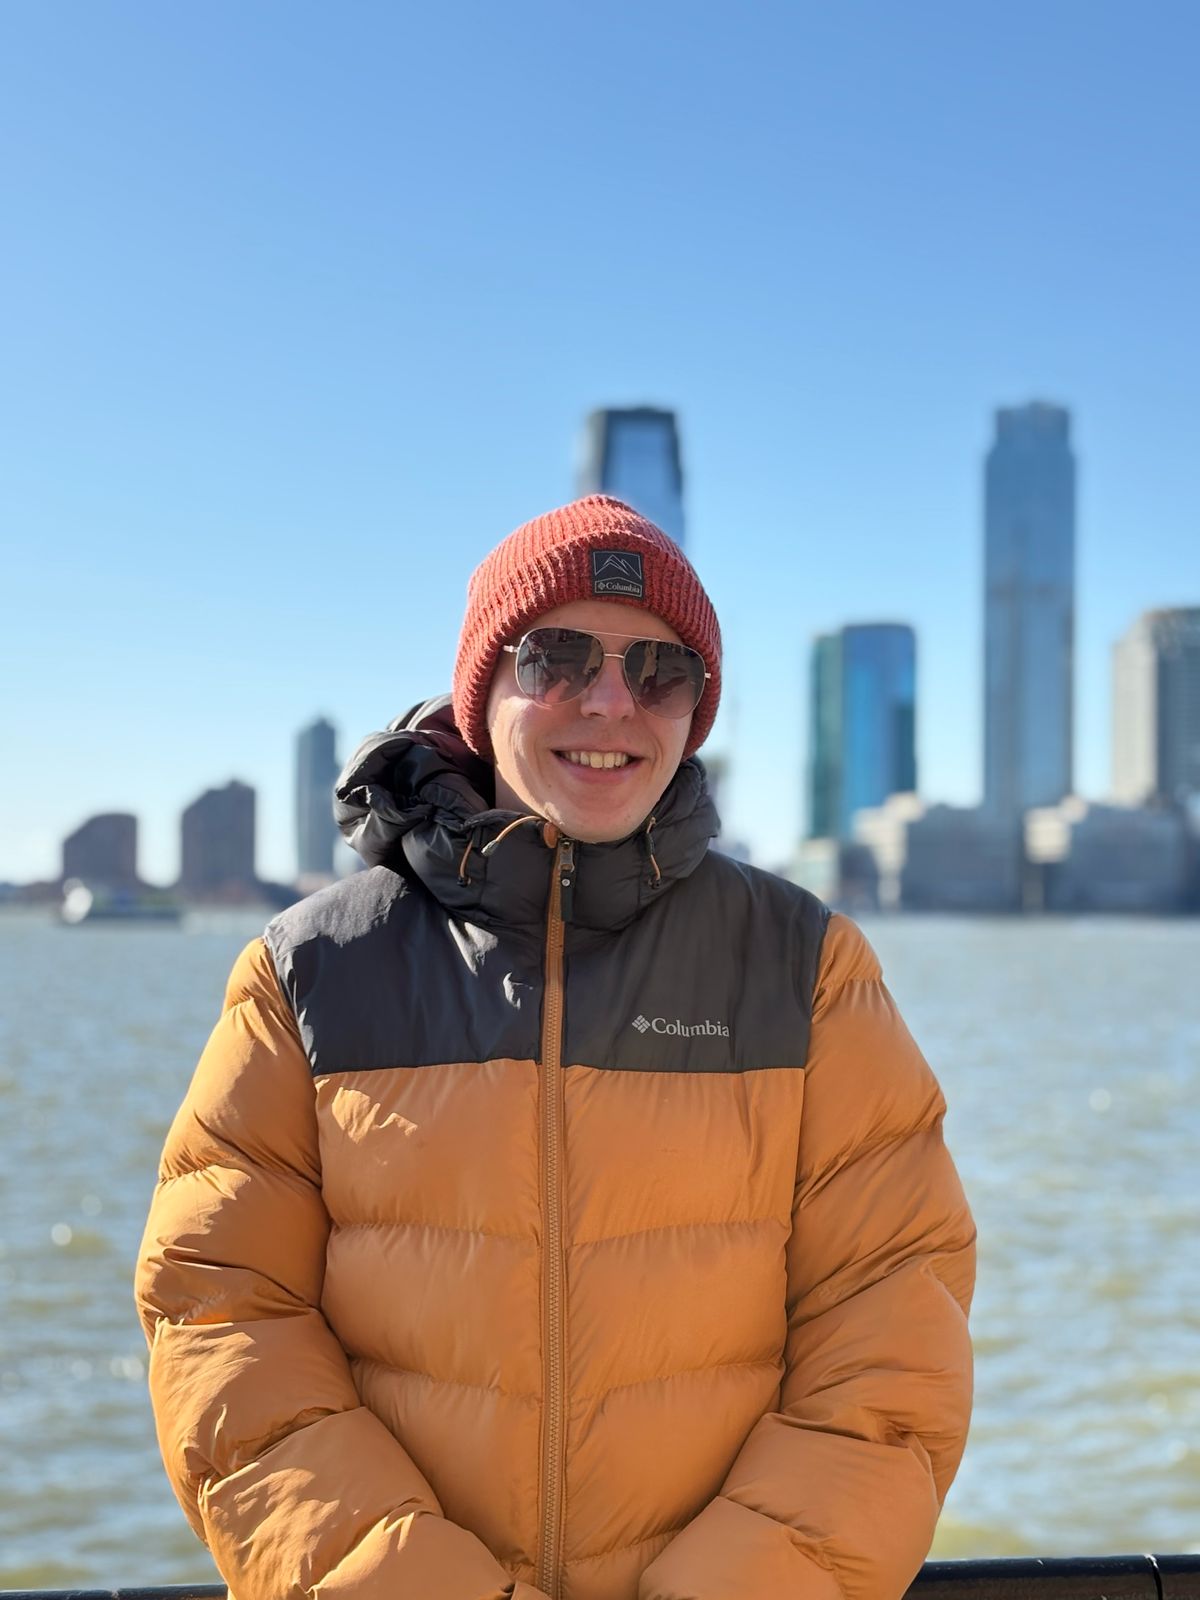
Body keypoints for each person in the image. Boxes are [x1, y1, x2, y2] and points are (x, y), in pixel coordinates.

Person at [136, 495, 975, 1600]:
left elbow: (892, 1331)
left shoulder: (806, 970)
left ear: (696, 713)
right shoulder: (309, 974)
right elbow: (221, 1318)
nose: (613, 701)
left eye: (662, 671)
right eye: (559, 657)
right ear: (482, 690)